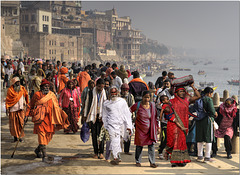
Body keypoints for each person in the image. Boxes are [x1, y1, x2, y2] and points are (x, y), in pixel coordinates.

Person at [26, 79, 69, 162]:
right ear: (41, 87)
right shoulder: (37, 95)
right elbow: (30, 105)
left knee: (48, 137)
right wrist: (26, 114)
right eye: (45, 86)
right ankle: (44, 155)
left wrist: (61, 115)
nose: (47, 87)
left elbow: (56, 107)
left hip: (50, 119)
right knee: (41, 135)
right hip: (40, 119)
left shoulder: (52, 95)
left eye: (48, 86)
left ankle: (38, 150)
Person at [165, 84, 200, 167]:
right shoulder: (171, 101)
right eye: (180, 91)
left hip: (183, 124)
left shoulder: (187, 99)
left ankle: (180, 161)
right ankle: (173, 161)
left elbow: (198, 96)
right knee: (174, 142)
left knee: (181, 142)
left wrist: (192, 87)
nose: (182, 93)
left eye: (183, 91)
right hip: (174, 124)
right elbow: (167, 112)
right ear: (176, 92)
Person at [102, 86, 132, 165]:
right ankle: (115, 157)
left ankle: (116, 156)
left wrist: (129, 126)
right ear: (109, 93)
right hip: (111, 125)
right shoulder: (106, 103)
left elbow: (127, 114)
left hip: (121, 125)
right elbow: (104, 115)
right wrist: (105, 126)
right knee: (113, 140)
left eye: (115, 92)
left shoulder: (122, 102)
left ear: (118, 93)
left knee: (119, 141)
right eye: (112, 92)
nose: (114, 94)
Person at [130, 91, 159, 168]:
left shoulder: (152, 105)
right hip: (140, 129)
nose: (146, 99)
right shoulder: (138, 105)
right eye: (145, 97)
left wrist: (157, 128)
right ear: (142, 97)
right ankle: (138, 161)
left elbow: (156, 117)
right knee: (139, 145)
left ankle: (152, 162)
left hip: (150, 130)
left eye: (148, 97)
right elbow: (129, 111)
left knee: (151, 146)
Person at [85, 79, 107, 159]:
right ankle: (95, 152)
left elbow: (106, 106)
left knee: (101, 136)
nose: (100, 89)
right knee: (94, 136)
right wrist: (85, 116)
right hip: (93, 117)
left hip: (102, 117)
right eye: (99, 87)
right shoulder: (91, 93)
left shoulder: (105, 93)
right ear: (96, 85)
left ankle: (101, 152)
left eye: (102, 87)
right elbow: (87, 104)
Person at [196, 87, 217, 163]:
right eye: (211, 94)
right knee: (209, 138)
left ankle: (199, 156)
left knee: (200, 138)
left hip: (198, 120)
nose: (211, 95)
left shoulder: (199, 98)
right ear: (209, 93)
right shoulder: (208, 99)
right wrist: (215, 113)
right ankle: (207, 157)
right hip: (207, 120)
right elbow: (211, 110)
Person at [5, 77, 29, 142]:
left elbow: (26, 95)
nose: (18, 83)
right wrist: (7, 108)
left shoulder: (22, 88)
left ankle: (20, 136)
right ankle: (15, 137)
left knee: (21, 123)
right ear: (14, 83)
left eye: (19, 82)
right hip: (13, 109)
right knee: (14, 125)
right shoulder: (10, 90)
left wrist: (27, 103)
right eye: (17, 82)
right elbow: (8, 100)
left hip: (21, 109)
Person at [120, 83, 135, 155]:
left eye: (126, 90)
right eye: (124, 90)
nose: (125, 91)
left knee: (128, 134)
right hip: (120, 118)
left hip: (128, 117)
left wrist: (133, 116)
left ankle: (126, 150)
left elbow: (133, 106)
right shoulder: (118, 97)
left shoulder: (130, 96)